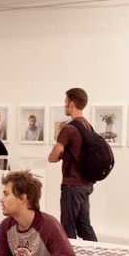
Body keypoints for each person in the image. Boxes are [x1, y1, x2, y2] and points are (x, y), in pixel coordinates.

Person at [0, 170, 78, 256]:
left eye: (6, 194)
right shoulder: (6, 226)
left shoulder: (48, 225)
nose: (1, 199)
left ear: (22, 198)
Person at [48, 87, 98, 241]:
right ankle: (97, 253)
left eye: (65, 102)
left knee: (67, 228)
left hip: (72, 185)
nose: (64, 105)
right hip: (85, 184)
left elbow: (53, 157)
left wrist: (57, 154)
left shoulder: (68, 128)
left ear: (71, 104)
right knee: (84, 227)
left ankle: (69, 255)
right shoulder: (87, 126)